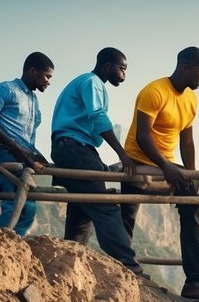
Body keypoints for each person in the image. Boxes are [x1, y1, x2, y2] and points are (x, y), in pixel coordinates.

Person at [122, 47, 199, 299]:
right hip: (139, 162)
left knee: (192, 201)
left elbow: (187, 142)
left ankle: (193, 284)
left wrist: (191, 175)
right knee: (127, 215)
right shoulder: (154, 91)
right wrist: (165, 166)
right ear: (185, 67)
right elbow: (142, 136)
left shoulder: (191, 99)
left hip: (166, 165)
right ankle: (122, 270)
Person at [49, 48, 146, 276]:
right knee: (104, 205)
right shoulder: (92, 82)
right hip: (74, 148)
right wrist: (123, 155)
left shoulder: (84, 82)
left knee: (82, 208)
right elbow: (97, 116)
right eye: (121, 69)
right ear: (107, 66)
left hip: (72, 148)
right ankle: (130, 266)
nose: (124, 75)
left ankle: (68, 264)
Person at [0, 52, 54, 235]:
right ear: (33, 71)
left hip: (20, 155)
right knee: (22, 205)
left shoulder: (34, 101)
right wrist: (15, 146)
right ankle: (4, 245)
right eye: (47, 76)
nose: (49, 81)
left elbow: (25, 138)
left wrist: (35, 157)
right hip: (1, 153)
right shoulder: (6, 89)